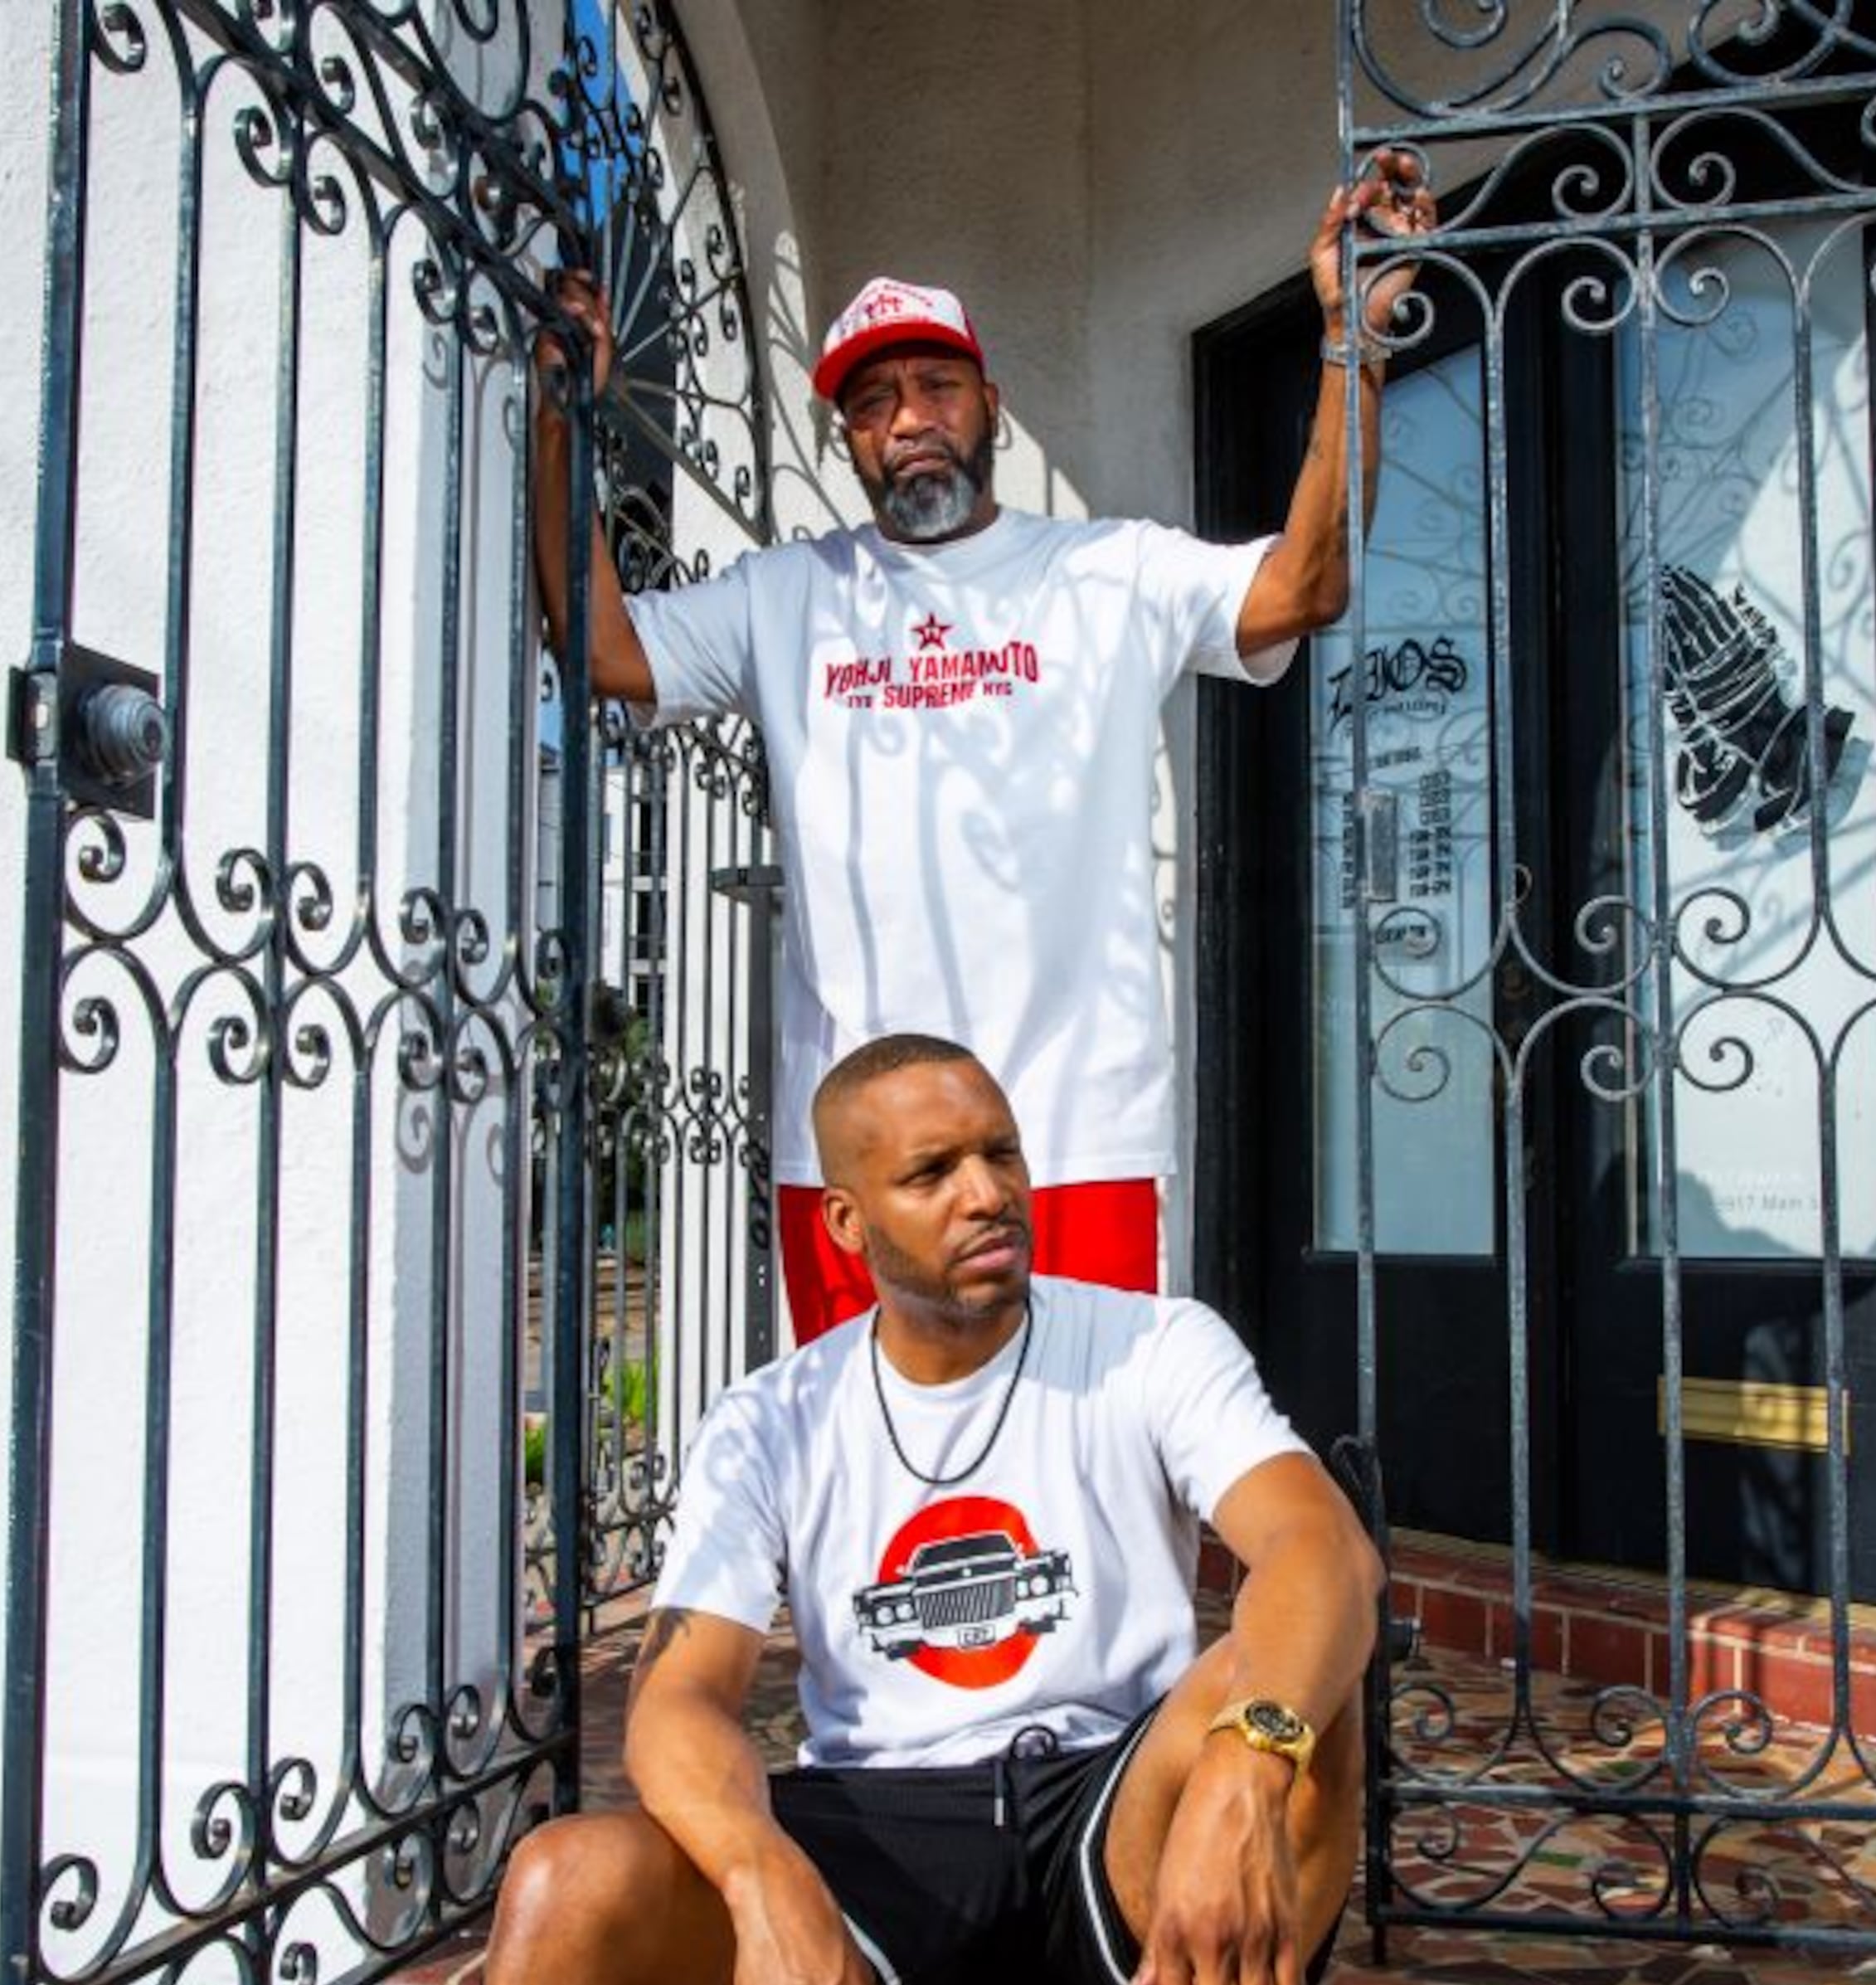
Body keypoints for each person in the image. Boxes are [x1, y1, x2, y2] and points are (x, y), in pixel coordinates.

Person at [534, 152, 1435, 1342]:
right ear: (846, 435)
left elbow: (1305, 586)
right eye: (871, 400)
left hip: (1073, 1138)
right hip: (854, 1162)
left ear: (991, 406)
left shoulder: (1105, 571)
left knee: (1085, 1490)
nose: (908, 419)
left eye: (936, 386)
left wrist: (1350, 347)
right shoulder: (783, 597)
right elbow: (601, 647)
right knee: (874, 1489)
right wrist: (565, 424)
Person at [458, 1034, 1384, 1985]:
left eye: (1002, 1154)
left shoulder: (1152, 1346)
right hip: (882, 1835)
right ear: (848, 1221)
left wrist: (1245, 1764)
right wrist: (763, 1880)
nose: (988, 1194)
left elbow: (1322, 1549)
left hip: (1115, 1820)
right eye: (932, 1172)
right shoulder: (773, 1418)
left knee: (1292, 1697)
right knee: (565, 1886)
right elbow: (677, 1699)